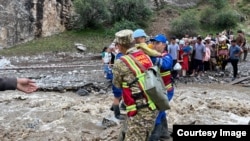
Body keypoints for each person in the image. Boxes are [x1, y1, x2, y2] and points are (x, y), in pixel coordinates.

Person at [112, 29, 158, 141]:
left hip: (139, 111)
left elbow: (117, 85)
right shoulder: (145, 55)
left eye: (117, 45)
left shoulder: (120, 62)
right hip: (152, 106)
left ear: (120, 45)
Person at [149, 34, 173, 141]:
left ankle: (154, 137)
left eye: (157, 43)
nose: (154, 45)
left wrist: (151, 56)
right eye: (153, 43)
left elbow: (165, 65)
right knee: (161, 112)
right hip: (157, 91)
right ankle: (164, 134)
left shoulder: (167, 56)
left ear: (164, 45)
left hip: (166, 91)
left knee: (157, 114)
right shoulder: (152, 56)